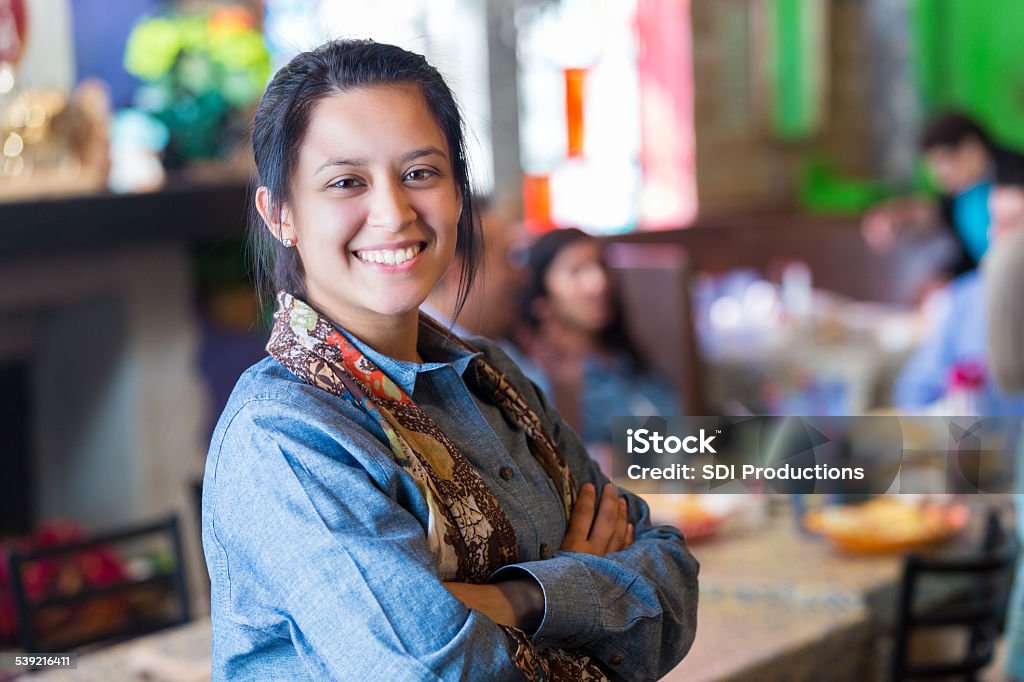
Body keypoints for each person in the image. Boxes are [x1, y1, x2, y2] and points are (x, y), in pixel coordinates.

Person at [202, 39, 698, 681]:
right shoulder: (282, 437)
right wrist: (588, 590)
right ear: (281, 214)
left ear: (459, 193)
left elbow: (674, 578)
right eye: (346, 182)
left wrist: (523, 597)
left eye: (420, 173)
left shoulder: (492, 376)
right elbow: (434, 674)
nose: (394, 212)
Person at [514, 228, 681, 451]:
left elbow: (677, 436)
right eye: (576, 271)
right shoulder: (537, 376)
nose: (599, 283)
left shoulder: (627, 358)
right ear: (542, 293)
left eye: (601, 265)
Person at [894, 161, 1024, 415]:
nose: (996, 234)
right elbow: (913, 392)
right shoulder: (967, 296)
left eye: (1014, 222)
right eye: (995, 220)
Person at [862, 112, 1024, 275]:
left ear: (970, 148)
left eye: (942, 162)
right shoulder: (962, 197)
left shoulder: (1013, 175)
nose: (940, 176)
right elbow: (933, 213)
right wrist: (898, 216)